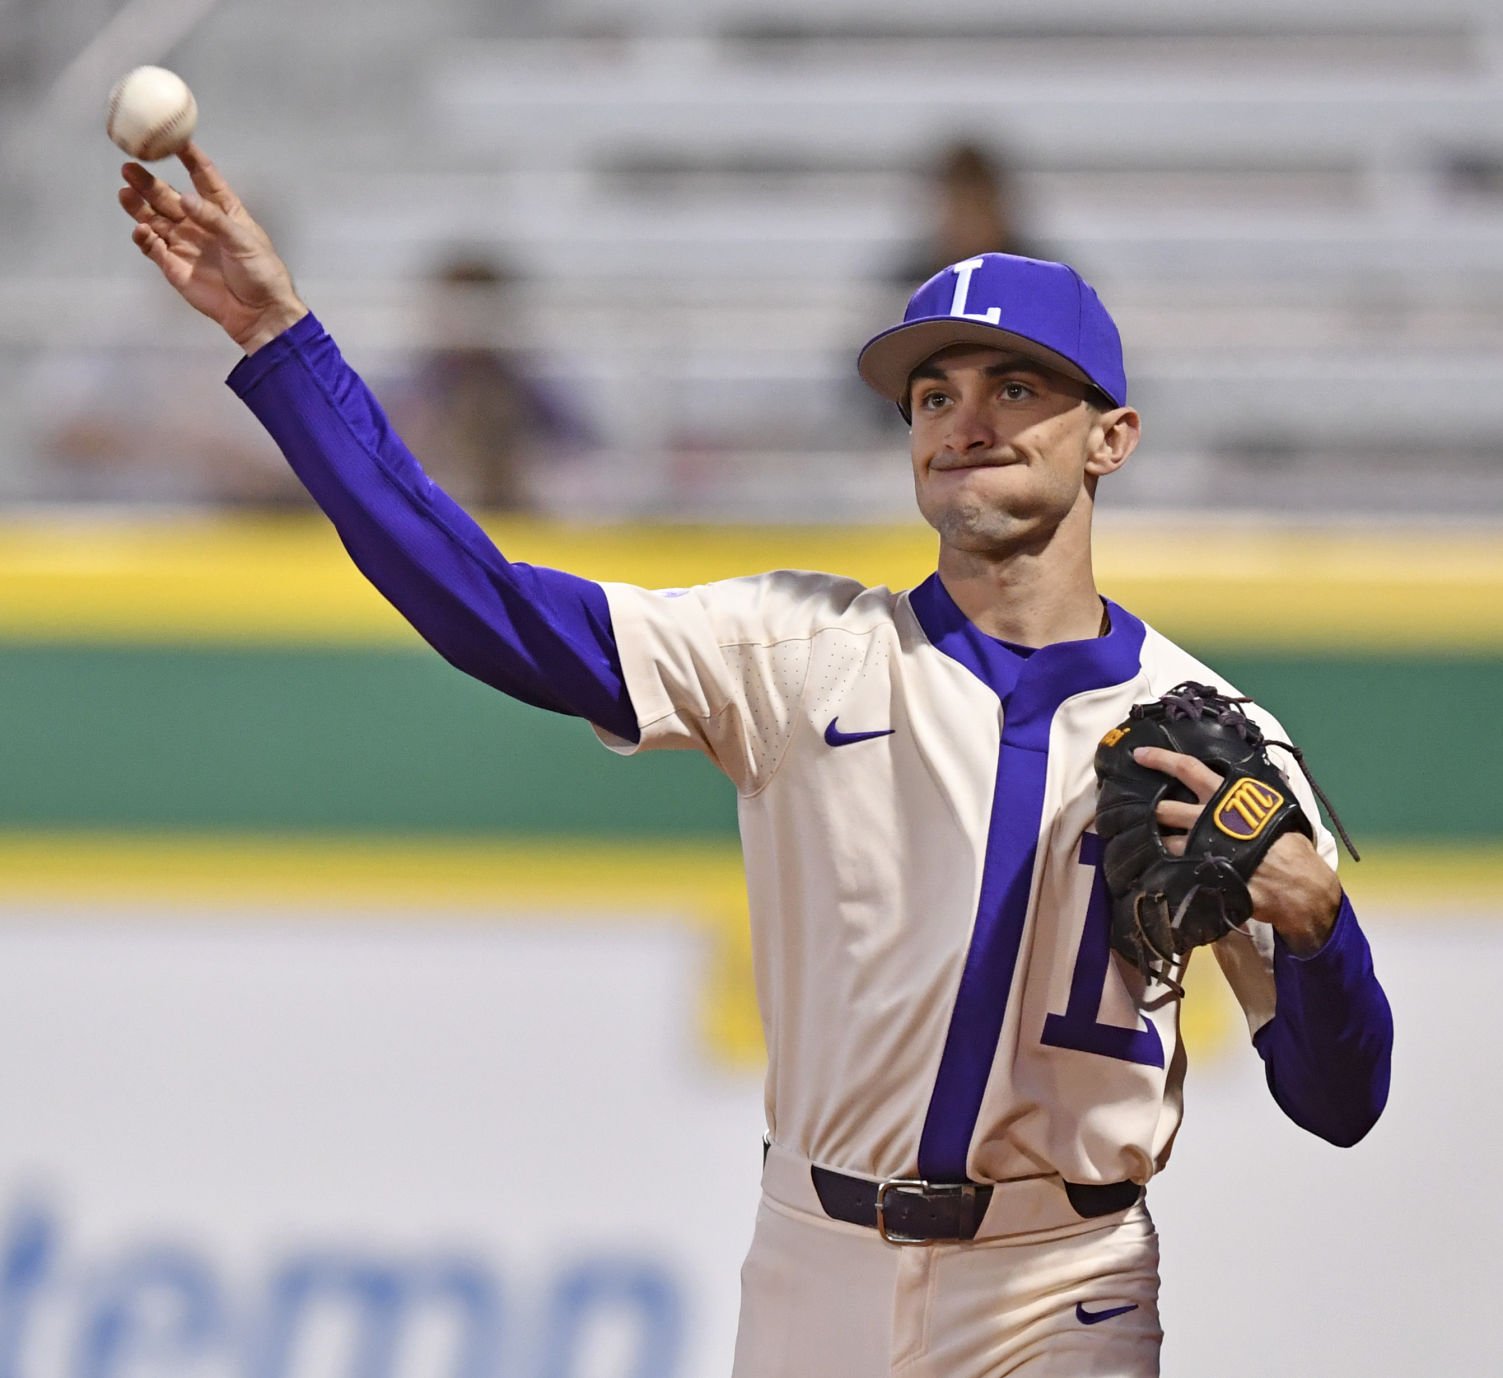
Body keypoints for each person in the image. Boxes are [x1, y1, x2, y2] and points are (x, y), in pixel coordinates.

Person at [117, 145, 1393, 1378]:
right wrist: (283, 347)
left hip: (1064, 1278)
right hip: (817, 1264)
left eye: (1015, 388)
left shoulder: (1207, 730)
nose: (966, 422)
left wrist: (1320, 928)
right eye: (934, 395)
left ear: (1110, 438)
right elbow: (487, 606)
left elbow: (1340, 1101)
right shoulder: (799, 649)